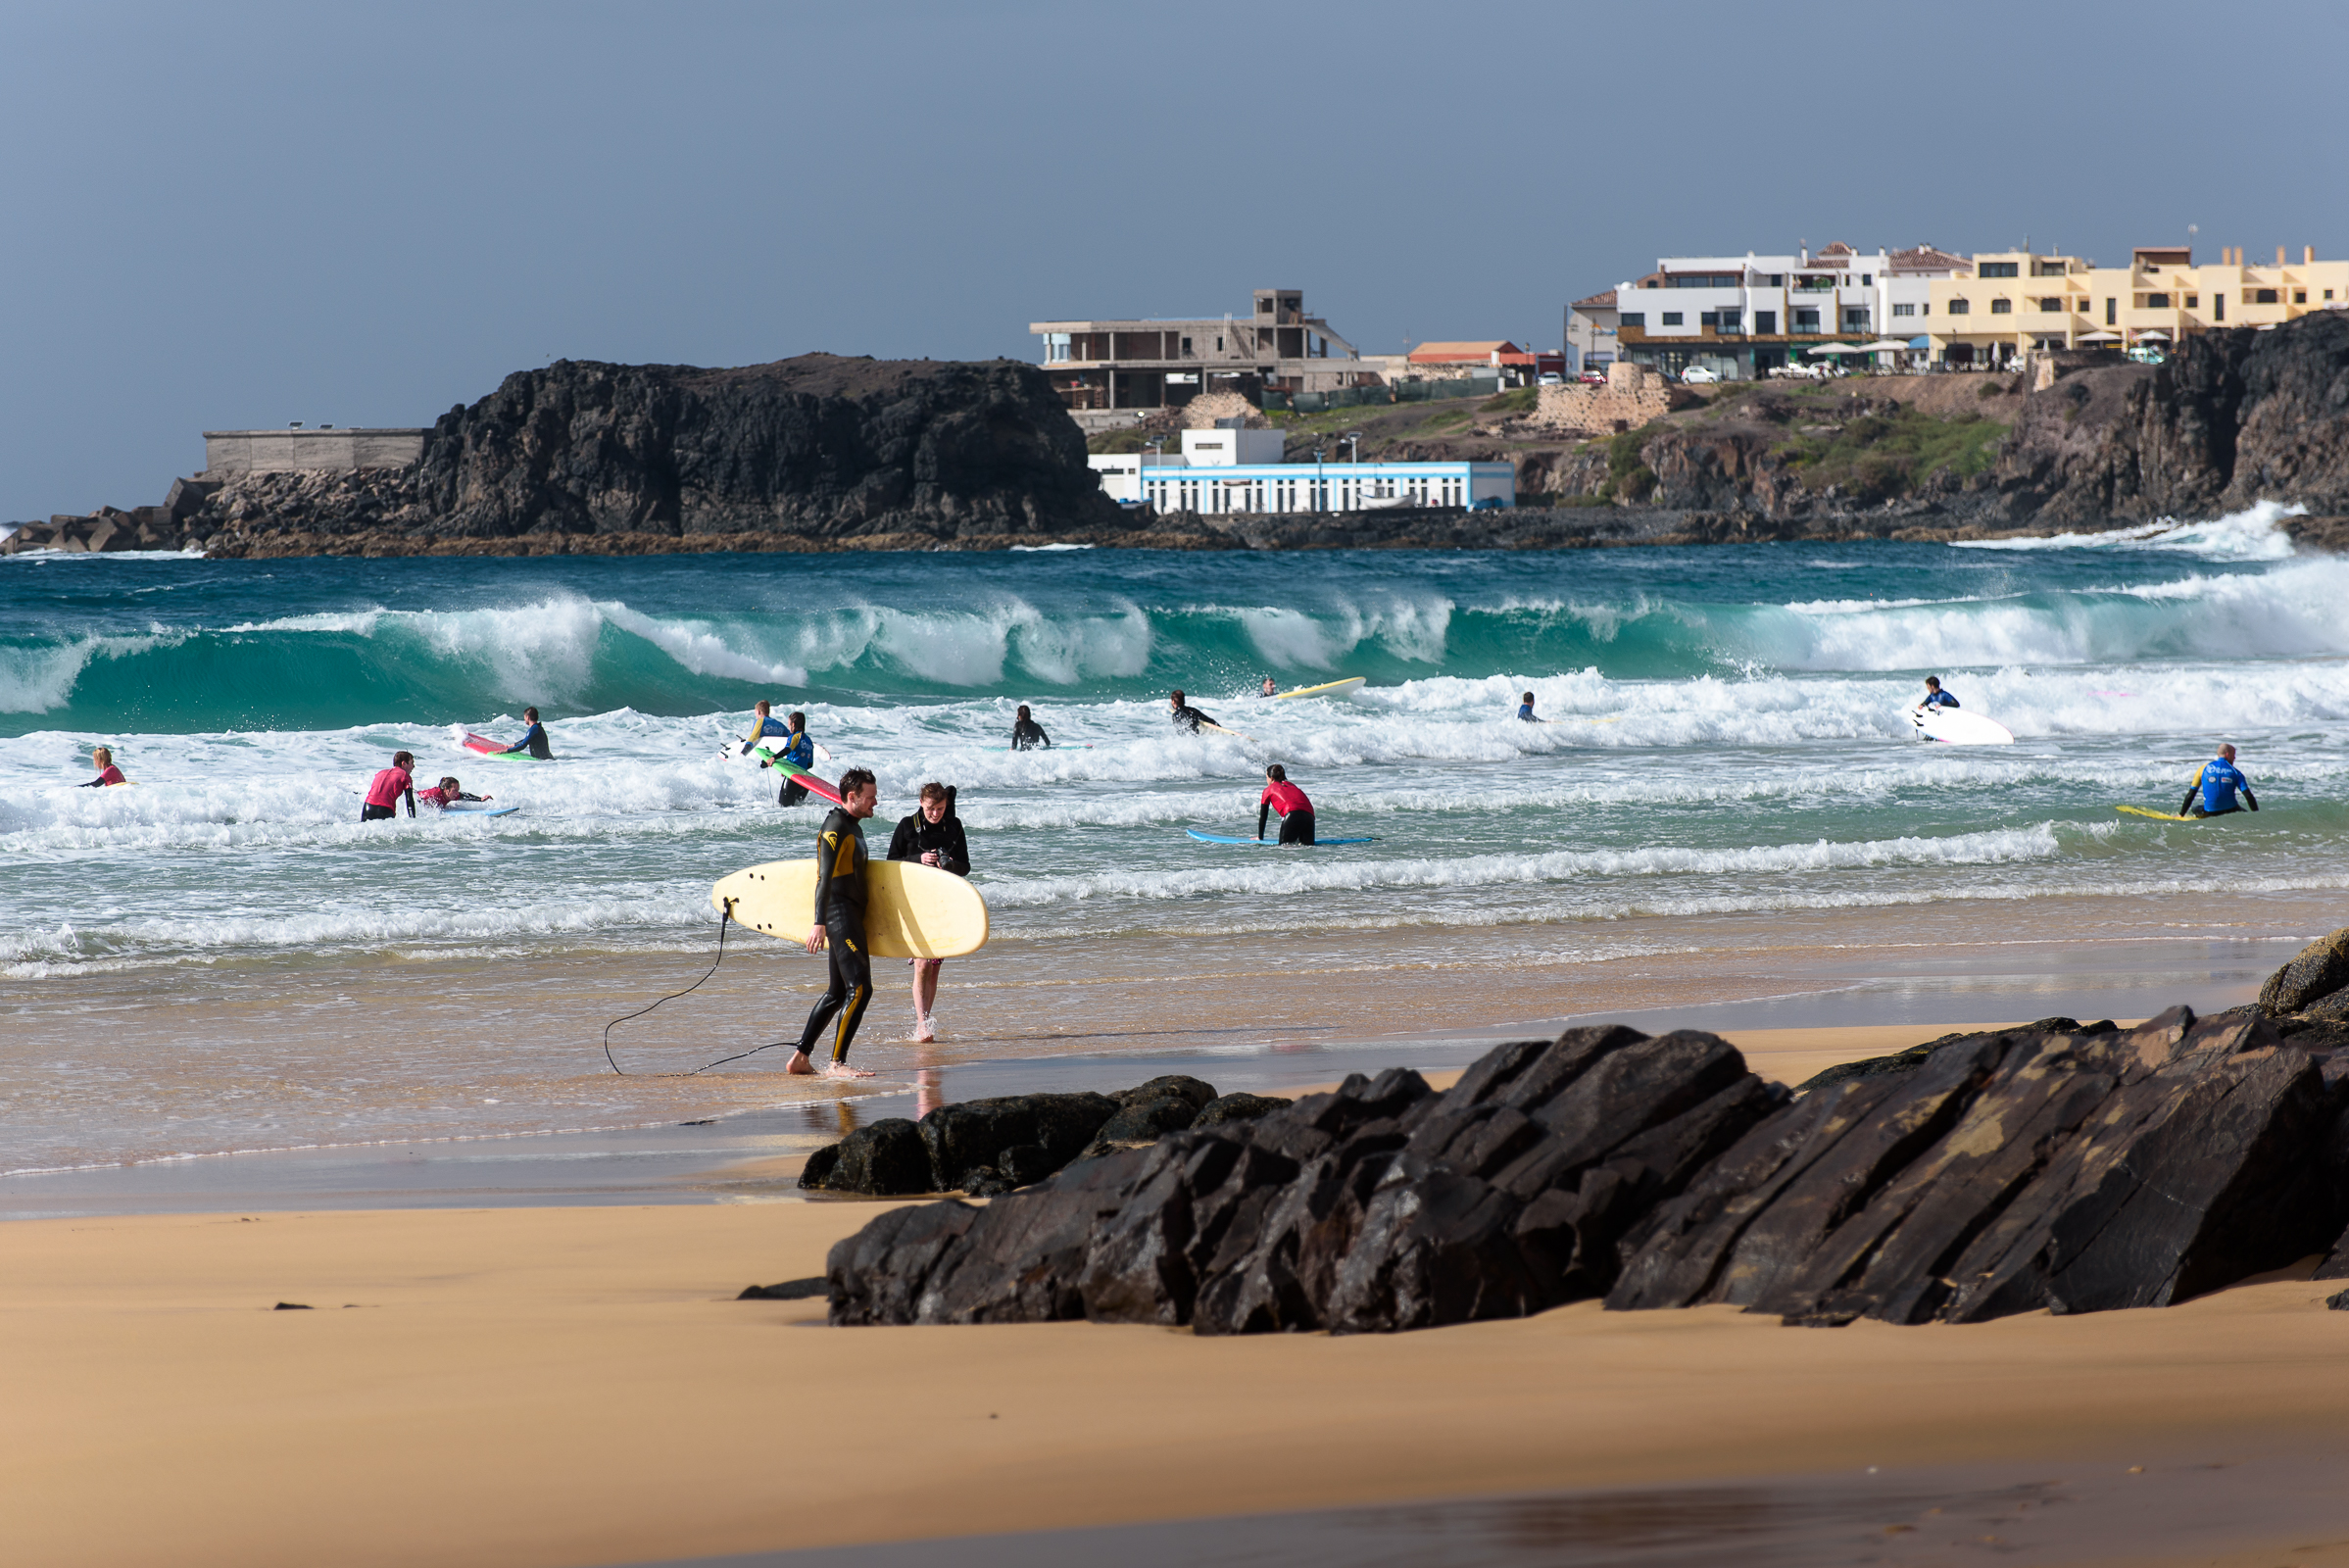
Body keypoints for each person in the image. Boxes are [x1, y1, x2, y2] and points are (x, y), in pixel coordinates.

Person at [788, 768, 880, 1078]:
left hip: (851, 914)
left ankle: (800, 1058)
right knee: (861, 988)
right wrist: (819, 922)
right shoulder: (835, 827)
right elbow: (823, 878)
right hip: (839, 914)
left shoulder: (853, 825)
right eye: (870, 797)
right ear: (852, 797)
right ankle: (837, 1064)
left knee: (837, 992)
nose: (875, 803)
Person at [888, 782, 971, 1043]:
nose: (936, 813)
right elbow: (890, 863)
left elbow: (966, 867)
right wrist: (917, 860)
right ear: (921, 802)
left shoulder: (954, 827)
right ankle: (921, 1024)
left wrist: (951, 865)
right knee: (921, 965)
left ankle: (926, 1020)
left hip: (943, 902)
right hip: (914, 902)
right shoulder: (907, 826)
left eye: (941, 808)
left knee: (934, 968)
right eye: (931, 808)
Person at [2181, 744, 2259, 818]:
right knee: (2243, 811)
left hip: (2209, 812)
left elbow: (2191, 795)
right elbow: (2248, 796)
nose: (2234, 758)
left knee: (2194, 809)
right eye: (2234, 755)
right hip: (2231, 810)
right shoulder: (2236, 772)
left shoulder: (2203, 769)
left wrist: (2181, 814)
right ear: (2228, 754)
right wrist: (2256, 814)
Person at [1257, 762, 1316, 845]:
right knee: (1307, 848)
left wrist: (1260, 837)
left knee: (1284, 850)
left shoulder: (1268, 790)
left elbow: (1263, 817)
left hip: (1292, 816)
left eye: (1266, 777)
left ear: (1272, 778)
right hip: (1309, 818)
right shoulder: (1291, 785)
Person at [771, 710, 817, 807]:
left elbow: (788, 749)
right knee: (796, 808)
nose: (789, 727)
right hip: (805, 782)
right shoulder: (809, 741)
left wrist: (774, 758)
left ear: (793, 724)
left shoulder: (794, 737)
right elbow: (810, 764)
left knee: (783, 807)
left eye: (789, 724)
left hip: (793, 779)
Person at [363, 751, 416, 821]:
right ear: (404, 763)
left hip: (367, 807)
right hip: (385, 809)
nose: (413, 766)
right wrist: (413, 821)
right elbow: (409, 800)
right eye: (412, 763)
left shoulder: (380, 773)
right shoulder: (405, 776)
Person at [416, 776, 489, 809]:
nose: (457, 793)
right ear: (446, 790)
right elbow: (418, 801)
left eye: (458, 790)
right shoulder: (433, 794)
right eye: (455, 790)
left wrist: (480, 799)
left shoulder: (451, 795)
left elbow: (464, 796)